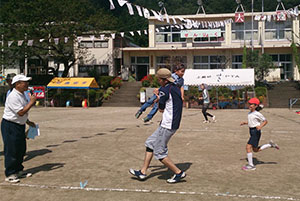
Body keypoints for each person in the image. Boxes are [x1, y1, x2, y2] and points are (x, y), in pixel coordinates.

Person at [129, 68, 186, 183]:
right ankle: (143, 172)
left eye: (159, 79)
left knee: (159, 153)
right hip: (171, 123)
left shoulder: (165, 90)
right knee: (150, 143)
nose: (158, 81)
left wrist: (158, 97)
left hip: (168, 124)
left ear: (163, 80)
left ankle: (179, 173)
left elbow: (160, 109)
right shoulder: (175, 87)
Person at [1, 74, 37, 183]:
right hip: (10, 125)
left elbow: (23, 111)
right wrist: (31, 102)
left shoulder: (22, 94)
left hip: (19, 125)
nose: (27, 84)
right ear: (17, 84)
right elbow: (21, 112)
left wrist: (28, 122)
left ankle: (18, 170)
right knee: (12, 149)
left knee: (21, 149)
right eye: (24, 82)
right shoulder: (13, 96)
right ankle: (10, 173)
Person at [240, 98, 279, 171]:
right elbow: (252, 122)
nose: (250, 105)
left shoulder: (257, 114)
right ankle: (270, 145)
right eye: (249, 104)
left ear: (255, 106)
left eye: (251, 104)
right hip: (251, 131)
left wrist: (260, 126)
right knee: (255, 150)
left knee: (248, 147)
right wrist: (245, 123)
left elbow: (265, 121)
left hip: (255, 132)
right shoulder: (250, 113)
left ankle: (251, 165)